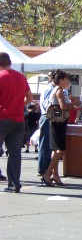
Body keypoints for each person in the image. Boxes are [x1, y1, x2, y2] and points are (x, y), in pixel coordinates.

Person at [0, 52, 33, 192]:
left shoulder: (1, 77)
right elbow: (30, 98)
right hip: (18, 119)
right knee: (15, 153)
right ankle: (14, 183)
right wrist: (19, 105)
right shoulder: (21, 77)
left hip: (2, 118)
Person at [41, 70, 80, 187]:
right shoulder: (59, 91)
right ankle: (47, 174)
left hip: (57, 122)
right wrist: (75, 104)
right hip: (58, 122)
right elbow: (63, 106)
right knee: (61, 150)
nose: (68, 81)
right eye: (67, 79)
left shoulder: (60, 90)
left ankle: (55, 174)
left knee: (55, 150)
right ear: (61, 80)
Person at [37, 71, 55, 176]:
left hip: (48, 117)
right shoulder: (50, 89)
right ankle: (43, 168)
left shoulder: (51, 88)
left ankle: (46, 167)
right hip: (48, 116)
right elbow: (48, 105)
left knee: (48, 144)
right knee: (45, 143)